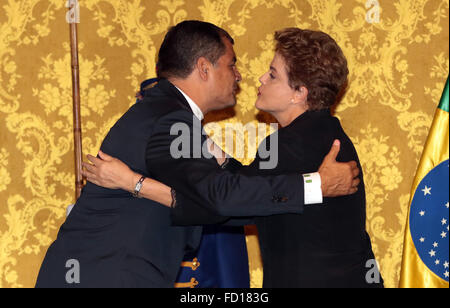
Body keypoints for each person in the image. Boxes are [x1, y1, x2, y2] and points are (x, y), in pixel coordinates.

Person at [36, 21, 359, 288]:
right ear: (204, 68)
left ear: (300, 93)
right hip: (110, 275)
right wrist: (315, 184)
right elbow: (225, 197)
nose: (244, 76)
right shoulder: (170, 118)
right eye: (232, 64)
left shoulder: (306, 141)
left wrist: (136, 182)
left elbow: (232, 199)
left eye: (272, 74)